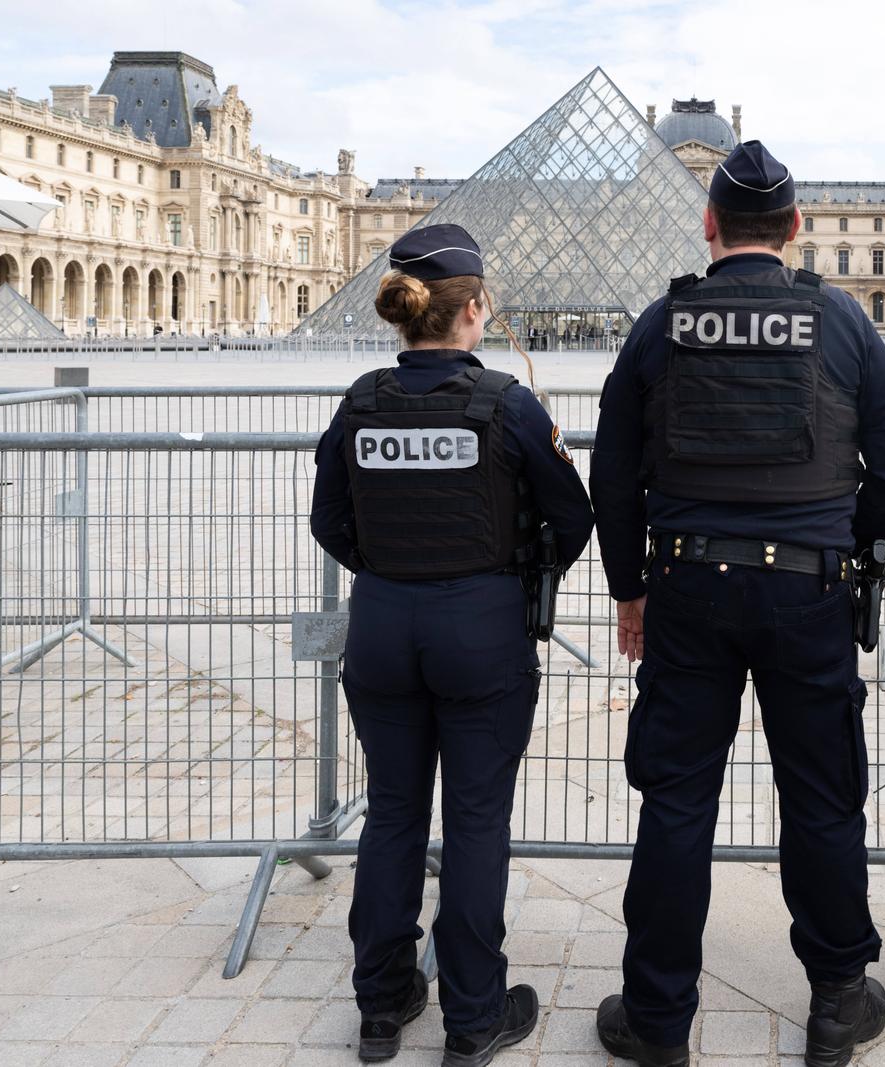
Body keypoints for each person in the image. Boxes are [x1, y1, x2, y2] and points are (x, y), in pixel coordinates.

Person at [589, 141, 885, 1067]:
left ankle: (658, 1019)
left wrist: (630, 588)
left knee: (677, 802)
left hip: (689, 586)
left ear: (708, 227)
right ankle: (836, 1001)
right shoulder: (844, 325)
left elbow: (612, 473)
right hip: (810, 589)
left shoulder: (663, 323)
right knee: (822, 800)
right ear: (795, 230)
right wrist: (851, 540)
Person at [309, 223, 594, 1066]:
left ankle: (382, 1005)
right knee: (475, 820)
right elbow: (573, 518)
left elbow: (329, 520)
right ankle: (473, 1016)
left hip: (385, 625)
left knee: (393, 811)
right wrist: (507, 567)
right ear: (474, 309)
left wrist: (391, 567)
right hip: (481, 626)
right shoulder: (506, 403)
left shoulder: (361, 401)